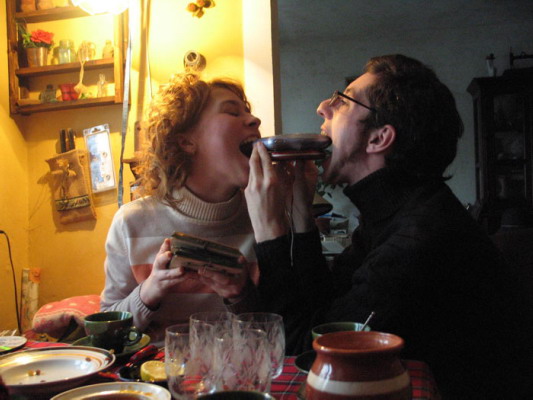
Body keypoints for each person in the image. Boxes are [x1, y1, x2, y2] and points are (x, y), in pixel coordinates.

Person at [239, 55, 533, 399]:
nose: (322, 107)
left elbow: (309, 354)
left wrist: (269, 231)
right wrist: (300, 211)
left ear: (379, 138)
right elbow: (325, 313)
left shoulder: (420, 237)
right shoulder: (398, 212)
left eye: (342, 101)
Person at [100, 73, 262, 345]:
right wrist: (149, 291)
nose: (255, 120)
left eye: (248, 112)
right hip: (154, 369)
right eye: (232, 112)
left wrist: (241, 294)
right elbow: (105, 330)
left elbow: (281, 327)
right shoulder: (131, 222)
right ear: (186, 142)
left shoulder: (268, 220)